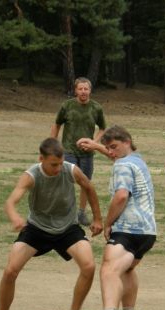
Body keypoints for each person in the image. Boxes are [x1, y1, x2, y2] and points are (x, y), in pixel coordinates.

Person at [0, 138, 103, 310]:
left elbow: (88, 186)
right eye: (54, 164)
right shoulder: (31, 175)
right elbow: (11, 201)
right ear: (41, 159)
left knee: (88, 266)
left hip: (68, 228)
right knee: (10, 271)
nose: (58, 168)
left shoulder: (70, 170)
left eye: (60, 163)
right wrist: (15, 217)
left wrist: (97, 217)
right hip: (37, 228)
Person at [78, 126, 157, 310]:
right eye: (108, 149)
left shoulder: (122, 165)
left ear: (127, 141)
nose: (111, 153)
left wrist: (107, 222)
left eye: (113, 147)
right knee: (127, 270)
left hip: (128, 229)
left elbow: (121, 196)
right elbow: (116, 154)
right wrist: (98, 146)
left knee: (109, 269)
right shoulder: (137, 160)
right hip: (147, 232)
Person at [50, 77, 107, 227]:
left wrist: (94, 143)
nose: (83, 92)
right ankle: (66, 212)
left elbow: (102, 128)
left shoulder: (96, 108)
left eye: (86, 89)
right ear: (75, 90)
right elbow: (56, 124)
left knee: (85, 183)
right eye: (80, 89)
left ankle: (81, 213)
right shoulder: (67, 106)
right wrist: (53, 144)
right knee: (67, 181)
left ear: (90, 91)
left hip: (87, 153)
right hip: (68, 150)